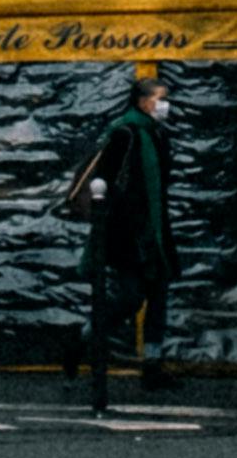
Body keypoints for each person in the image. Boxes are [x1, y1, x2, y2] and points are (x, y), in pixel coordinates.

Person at [68, 67, 175, 380]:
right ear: (143, 102)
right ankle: (84, 338)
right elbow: (106, 179)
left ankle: (153, 364)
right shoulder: (124, 133)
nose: (165, 105)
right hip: (129, 230)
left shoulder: (156, 134)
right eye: (160, 99)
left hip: (152, 227)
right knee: (130, 297)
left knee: (158, 293)